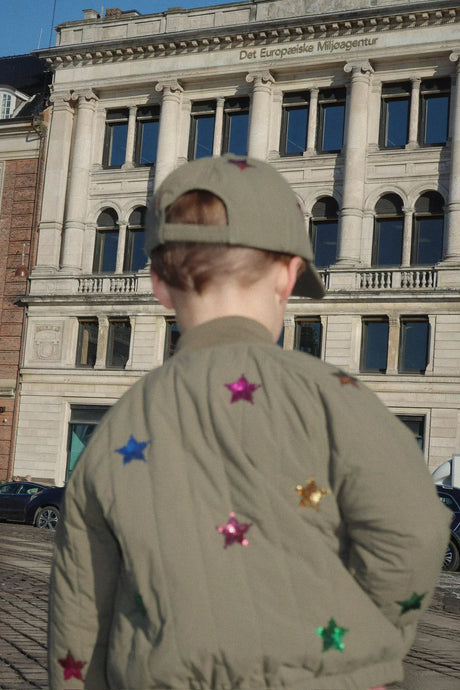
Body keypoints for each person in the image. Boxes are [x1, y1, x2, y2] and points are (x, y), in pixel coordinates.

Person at [48, 155, 450, 690]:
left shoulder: (119, 424)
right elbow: (416, 531)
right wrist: (364, 641)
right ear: (288, 277)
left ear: (159, 285)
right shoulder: (337, 397)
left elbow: (81, 611)